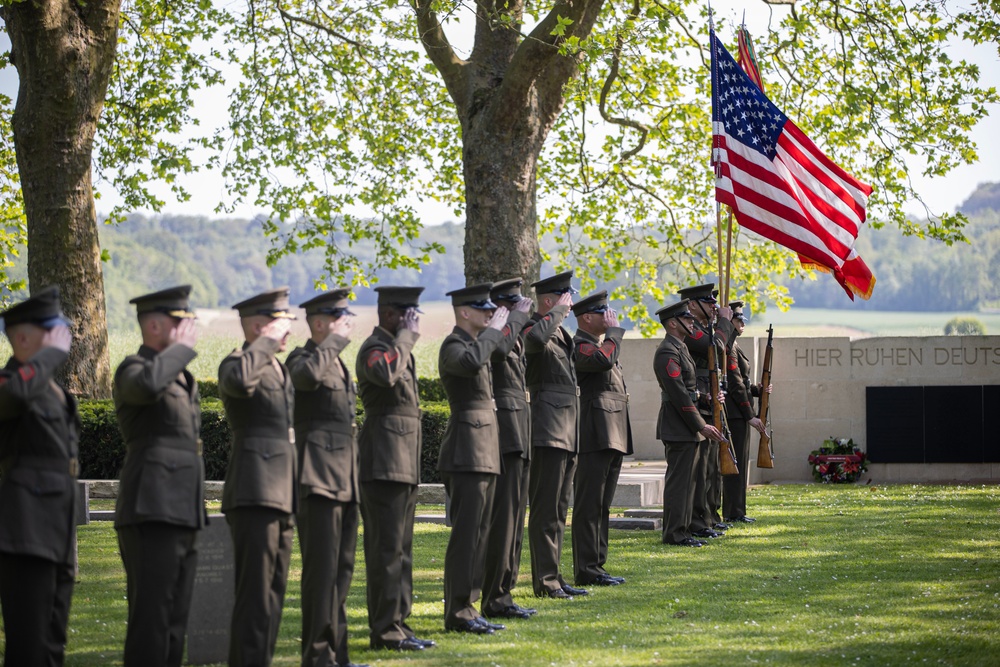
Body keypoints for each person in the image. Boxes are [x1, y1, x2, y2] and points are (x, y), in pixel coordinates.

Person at [114, 285, 205, 667]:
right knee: (151, 619)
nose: (190, 329)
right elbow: (148, 385)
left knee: (175, 621)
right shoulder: (132, 369)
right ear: (153, 325)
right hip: (150, 507)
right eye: (179, 321)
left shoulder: (182, 378)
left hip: (183, 508)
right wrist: (181, 351)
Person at [286, 289, 368, 667]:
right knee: (320, 574)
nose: (346, 324)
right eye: (338, 319)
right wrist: (335, 342)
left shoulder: (335, 362)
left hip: (344, 479)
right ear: (319, 324)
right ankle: (318, 657)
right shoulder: (302, 358)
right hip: (317, 478)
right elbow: (304, 379)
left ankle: (339, 654)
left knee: (341, 572)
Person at [0, 286, 79, 665]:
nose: (63, 339)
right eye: (54, 331)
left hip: (57, 528)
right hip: (23, 528)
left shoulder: (51, 390)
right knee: (28, 643)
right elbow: (15, 396)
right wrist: (49, 356)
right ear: (24, 337)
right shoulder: (10, 383)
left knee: (52, 640)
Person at [219, 287, 298, 667]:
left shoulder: (276, 366)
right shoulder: (237, 362)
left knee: (273, 594)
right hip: (253, 490)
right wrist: (265, 342)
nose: (288, 333)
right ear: (257, 326)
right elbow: (240, 383)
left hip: (281, 491)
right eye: (281, 325)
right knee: (253, 596)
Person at [355, 286, 434, 652]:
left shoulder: (397, 350)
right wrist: (405, 341)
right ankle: (385, 630)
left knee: (401, 552)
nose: (414, 323)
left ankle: (399, 624)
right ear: (389, 315)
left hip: (402, 462)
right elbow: (385, 376)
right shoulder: (375, 350)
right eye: (408, 315)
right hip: (383, 462)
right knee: (385, 551)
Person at [438, 282, 518, 634]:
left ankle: (470, 609)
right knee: (466, 535)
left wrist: (502, 327)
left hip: (484, 448)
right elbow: (471, 363)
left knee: (480, 534)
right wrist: (498, 326)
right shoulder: (455, 346)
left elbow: (495, 352)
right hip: (466, 450)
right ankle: (458, 611)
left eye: (492, 309)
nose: (491, 313)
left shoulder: (477, 342)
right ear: (464, 313)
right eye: (483, 309)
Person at [524, 270, 588, 599]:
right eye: (565, 300)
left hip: (566, 427)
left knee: (560, 508)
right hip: (547, 426)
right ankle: (545, 581)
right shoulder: (532, 326)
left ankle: (556, 575)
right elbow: (534, 342)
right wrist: (557, 312)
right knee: (546, 508)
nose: (570, 305)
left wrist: (559, 316)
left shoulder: (560, 333)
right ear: (549, 301)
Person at [481, 278, 536, 621]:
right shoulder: (494, 333)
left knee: (515, 520)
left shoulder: (511, 335)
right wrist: (513, 318)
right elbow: (499, 350)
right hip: (504, 433)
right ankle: (494, 597)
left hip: (520, 432)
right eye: (516, 306)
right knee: (503, 520)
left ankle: (505, 592)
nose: (524, 311)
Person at [652, 299, 727, 547]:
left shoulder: (681, 348)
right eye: (686, 319)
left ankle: (683, 530)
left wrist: (707, 397)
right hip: (678, 424)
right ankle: (674, 533)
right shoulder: (667, 351)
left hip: (686, 424)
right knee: (679, 482)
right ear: (672, 323)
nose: (692, 322)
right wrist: (700, 425)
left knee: (690, 482)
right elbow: (679, 394)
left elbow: (690, 391)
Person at [571, 291, 631, 587]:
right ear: (586, 318)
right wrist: (615, 334)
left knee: (603, 504)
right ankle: (586, 568)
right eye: (602, 312)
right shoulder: (580, 346)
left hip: (612, 432)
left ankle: (597, 564)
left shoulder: (602, 345)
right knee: (589, 504)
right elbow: (602, 362)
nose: (609, 316)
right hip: (593, 433)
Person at [677, 283, 733, 540]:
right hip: (698, 402)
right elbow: (716, 347)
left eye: (714, 303)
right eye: (708, 302)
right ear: (691, 305)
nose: (714, 306)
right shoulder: (692, 332)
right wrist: (724, 321)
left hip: (710, 399)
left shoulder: (704, 328)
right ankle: (698, 521)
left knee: (710, 468)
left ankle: (708, 516)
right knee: (699, 471)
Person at [722, 301, 768, 524]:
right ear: (729, 320)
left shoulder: (734, 345)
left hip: (738, 412)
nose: (742, 324)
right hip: (735, 414)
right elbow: (734, 384)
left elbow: (743, 383)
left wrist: (757, 390)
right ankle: (733, 512)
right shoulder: (728, 347)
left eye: (742, 320)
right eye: (738, 320)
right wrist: (750, 415)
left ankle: (737, 510)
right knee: (735, 463)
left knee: (739, 463)